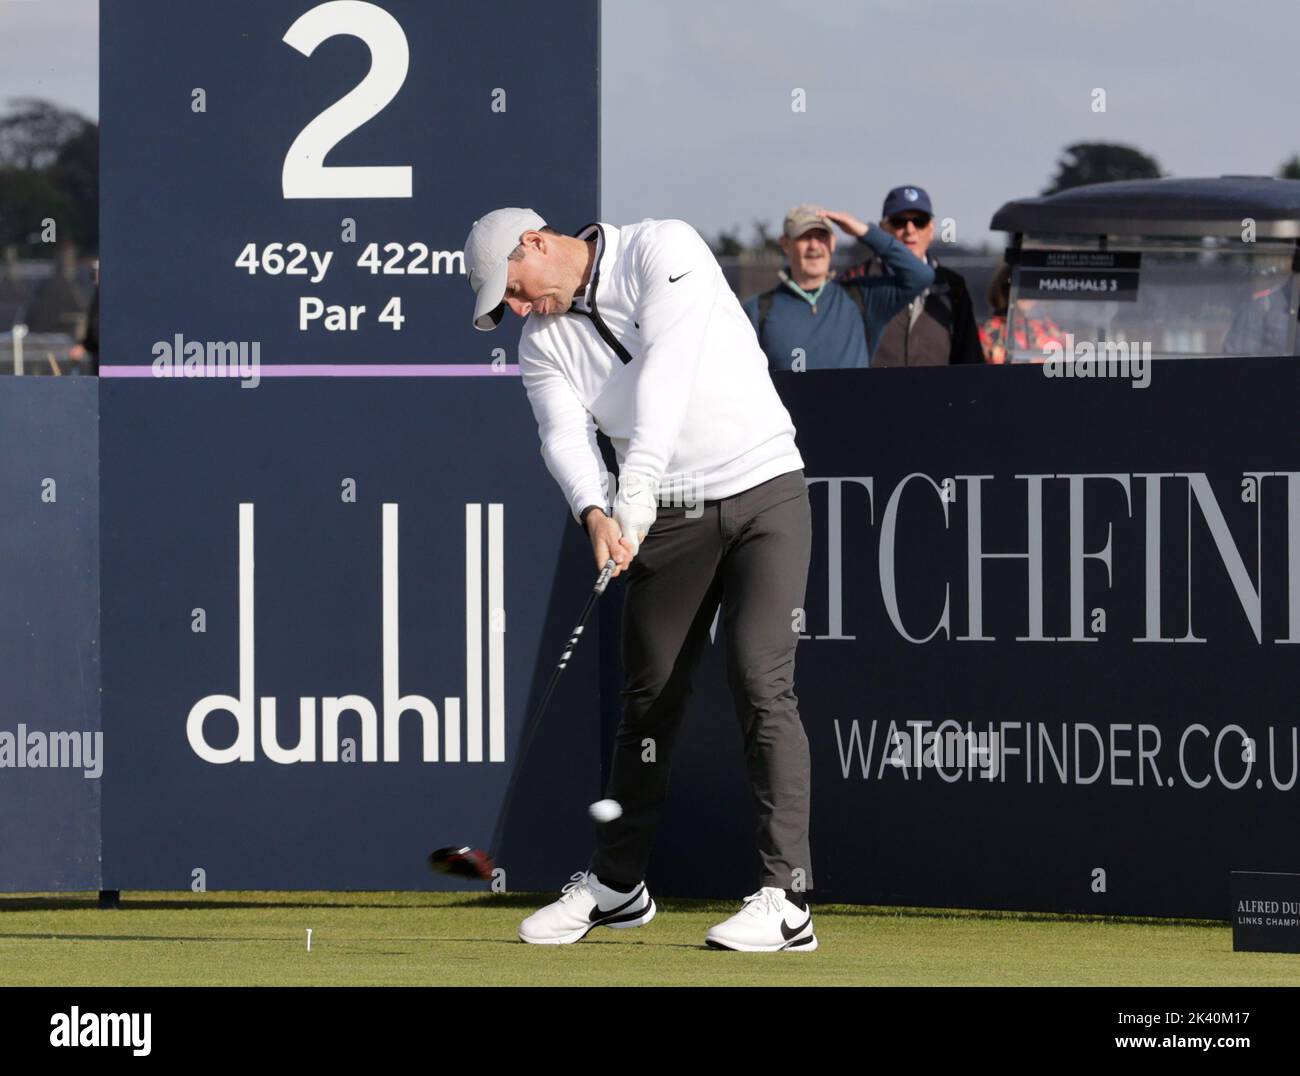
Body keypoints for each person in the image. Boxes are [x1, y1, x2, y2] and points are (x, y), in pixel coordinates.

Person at [464, 208, 819, 951]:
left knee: (760, 677)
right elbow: (563, 434)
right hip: (670, 520)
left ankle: (786, 901)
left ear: (535, 243)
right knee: (648, 698)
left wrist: (636, 493)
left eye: (517, 291)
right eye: (509, 308)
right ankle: (617, 887)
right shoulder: (540, 345)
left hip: (763, 488)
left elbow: (666, 376)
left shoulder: (665, 248)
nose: (521, 311)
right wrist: (597, 513)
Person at [743, 204, 933, 369]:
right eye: (805, 237)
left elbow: (920, 275)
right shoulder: (759, 310)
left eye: (821, 236)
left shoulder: (861, 298)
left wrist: (864, 232)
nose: (814, 246)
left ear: (833, 243)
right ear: (785, 243)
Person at [840, 186, 984, 366]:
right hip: (875, 392)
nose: (910, 230)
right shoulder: (859, 280)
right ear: (882, 230)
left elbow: (970, 358)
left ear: (931, 230)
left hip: (939, 393)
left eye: (920, 221)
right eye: (899, 222)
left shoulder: (951, 285)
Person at [979, 262, 1064, 363]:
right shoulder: (991, 331)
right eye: (1020, 282)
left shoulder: (1054, 329)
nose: (1025, 290)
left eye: (1033, 283)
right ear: (1007, 287)